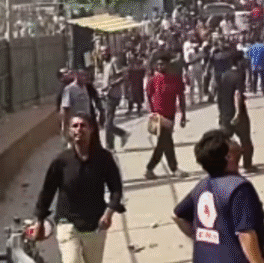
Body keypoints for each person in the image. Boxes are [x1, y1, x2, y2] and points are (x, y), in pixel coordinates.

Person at [33, 113, 124, 263]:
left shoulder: (104, 158)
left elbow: (116, 189)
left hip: (95, 225)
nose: (79, 129)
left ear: (91, 129)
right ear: (69, 131)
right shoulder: (61, 161)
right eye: (74, 126)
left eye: (83, 125)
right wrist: (39, 220)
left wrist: (108, 214)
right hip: (67, 224)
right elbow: (47, 192)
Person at [173, 130, 264, 263]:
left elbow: (178, 215)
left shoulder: (202, 186)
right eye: (230, 141)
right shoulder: (239, 188)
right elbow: (245, 235)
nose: (235, 141)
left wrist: (202, 237)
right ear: (228, 156)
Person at [145, 55, 188, 179]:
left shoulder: (175, 79)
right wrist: (151, 113)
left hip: (170, 115)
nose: (160, 67)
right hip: (158, 116)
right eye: (158, 64)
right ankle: (166, 168)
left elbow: (181, 97)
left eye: (162, 64)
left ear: (168, 65)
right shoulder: (152, 80)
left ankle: (152, 169)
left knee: (165, 142)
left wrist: (183, 115)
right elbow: (148, 97)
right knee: (165, 142)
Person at [219, 51, 256, 172]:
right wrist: (238, 113)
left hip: (225, 112)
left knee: (224, 141)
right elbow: (237, 94)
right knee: (246, 140)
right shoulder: (239, 75)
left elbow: (221, 95)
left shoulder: (224, 75)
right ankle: (247, 165)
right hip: (237, 113)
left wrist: (221, 113)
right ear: (238, 61)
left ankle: (222, 166)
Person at [101, 51, 130, 151]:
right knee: (107, 121)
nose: (104, 54)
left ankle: (120, 136)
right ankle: (111, 145)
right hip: (106, 94)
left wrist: (112, 85)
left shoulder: (114, 61)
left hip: (113, 95)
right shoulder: (105, 63)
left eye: (106, 51)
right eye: (102, 52)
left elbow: (123, 77)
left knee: (107, 123)